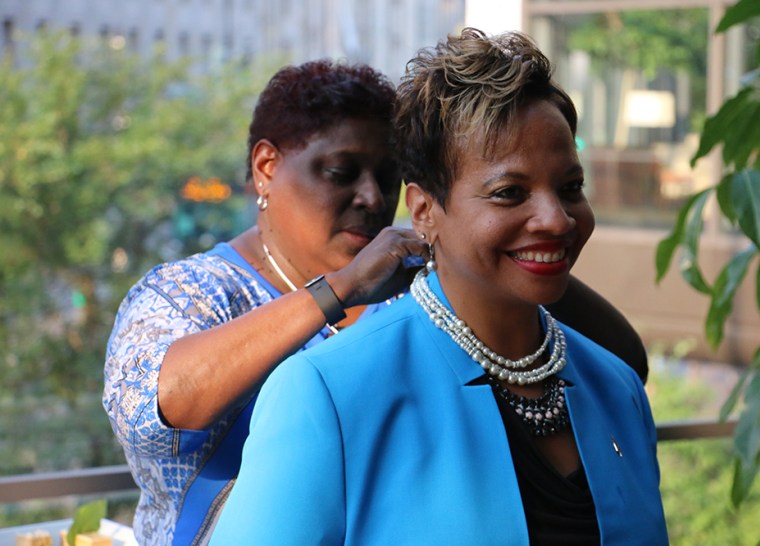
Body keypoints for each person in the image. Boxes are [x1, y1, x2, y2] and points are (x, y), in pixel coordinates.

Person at [104, 57, 648, 545]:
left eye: (388, 178)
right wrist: (341, 289)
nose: (371, 197)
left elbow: (621, 366)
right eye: (342, 172)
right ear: (266, 167)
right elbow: (153, 409)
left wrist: (505, 251)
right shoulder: (194, 292)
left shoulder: (411, 288)